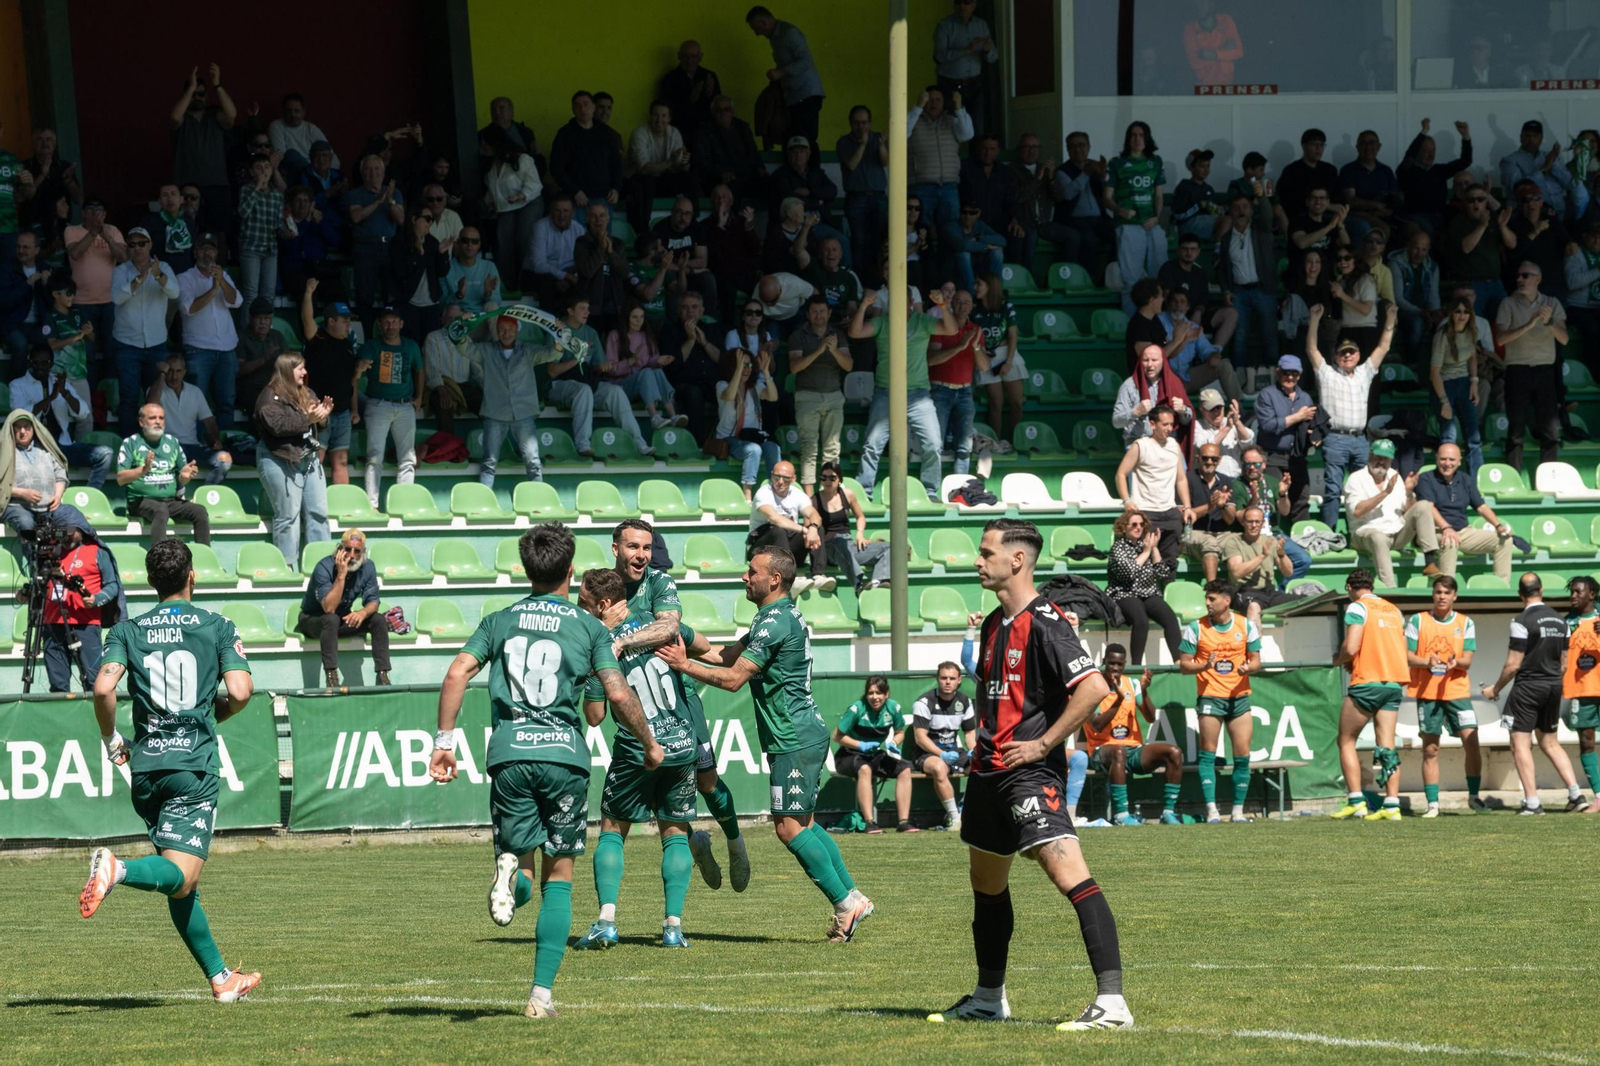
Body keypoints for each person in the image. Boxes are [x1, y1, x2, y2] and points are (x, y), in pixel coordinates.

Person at [429, 524, 658, 1019]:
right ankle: (540, 997)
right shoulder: (589, 627)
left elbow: (456, 673)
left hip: (508, 755)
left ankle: (509, 871)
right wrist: (649, 742)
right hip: (563, 758)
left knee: (521, 858)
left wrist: (443, 744)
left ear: (526, 569)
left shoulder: (499, 620)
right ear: (570, 571)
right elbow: (617, 694)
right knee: (561, 877)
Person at [923, 519, 1126, 1029]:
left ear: (1017, 560)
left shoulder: (1047, 620)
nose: (977, 560)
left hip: (1029, 775)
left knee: (1067, 873)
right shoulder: (994, 624)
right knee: (985, 885)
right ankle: (989, 998)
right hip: (988, 774)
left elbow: (1094, 686)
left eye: (986, 552)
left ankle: (1114, 1004)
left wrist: (1041, 744)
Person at [657, 544, 873, 942]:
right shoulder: (774, 617)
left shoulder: (773, 621)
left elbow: (734, 677)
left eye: (751, 571)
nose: (745, 576)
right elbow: (726, 654)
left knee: (788, 828)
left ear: (774, 578)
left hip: (793, 735)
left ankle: (846, 903)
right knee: (804, 822)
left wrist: (683, 664)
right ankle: (852, 897)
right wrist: (681, 637)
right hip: (797, 732)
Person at [80, 538, 257, 1002]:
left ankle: (222, 980)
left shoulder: (127, 630)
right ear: (191, 575)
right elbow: (239, 691)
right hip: (191, 766)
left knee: (180, 884)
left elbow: (103, 691)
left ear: (150, 582)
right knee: (182, 875)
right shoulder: (217, 625)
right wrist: (207, 716)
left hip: (145, 769)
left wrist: (111, 739)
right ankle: (115, 870)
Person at [608, 519, 749, 891]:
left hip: (680, 703)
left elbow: (673, 629)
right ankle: (696, 842)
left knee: (706, 781)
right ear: (616, 549)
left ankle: (736, 843)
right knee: (661, 792)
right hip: (635, 708)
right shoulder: (602, 589)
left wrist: (621, 642)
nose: (641, 557)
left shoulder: (659, 583)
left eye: (647, 550)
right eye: (633, 548)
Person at [571, 568, 703, 950]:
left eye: (584, 603)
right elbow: (702, 642)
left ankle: (606, 922)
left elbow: (595, 716)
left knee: (613, 830)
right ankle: (673, 928)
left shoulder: (601, 642)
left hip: (638, 750)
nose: (581, 609)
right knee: (675, 834)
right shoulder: (660, 625)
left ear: (604, 604)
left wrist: (592, 675)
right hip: (681, 743)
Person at [1480, 574, 1588, 815]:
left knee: (1519, 743)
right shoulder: (1561, 622)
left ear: (1520, 594)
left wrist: (1495, 689)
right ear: (1541, 589)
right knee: (1550, 741)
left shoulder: (1521, 620)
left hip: (1528, 686)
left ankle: (1532, 803)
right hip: (1553, 686)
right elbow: (1564, 664)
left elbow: (1513, 664)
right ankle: (1576, 795)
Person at [850, 287, 955, 498]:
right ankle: (865, 490)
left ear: (909, 302)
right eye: (894, 300)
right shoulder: (883, 321)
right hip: (886, 392)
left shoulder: (922, 320)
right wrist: (863, 306)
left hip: (919, 395)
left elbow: (951, 330)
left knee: (934, 443)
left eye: (902, 300)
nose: (898, 304)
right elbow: (855, 332)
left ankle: (930, 490)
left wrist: (942, 306)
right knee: (872, 444)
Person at [1178, 580, 1263, 823]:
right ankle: (1212, 811)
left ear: (1227, 600)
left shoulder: (1245, 625)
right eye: (1207, 598)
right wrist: (1204, 665)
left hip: (1239, 698)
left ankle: (1238, 812)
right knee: (1208, 754)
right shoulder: (1196, 628)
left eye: (1212, 599)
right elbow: (1183, 665)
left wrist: (1249, 668)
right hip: (1210, 697)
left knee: (1243, 754)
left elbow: (1257, 660)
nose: (1207, 603)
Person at [1305, 303, 1396, 527]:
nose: (1347, 356)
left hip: (1360, 440)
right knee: (1333, 490)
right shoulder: (1326, 374)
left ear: (1358, 356)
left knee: (1364, 488)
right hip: (1334, 438)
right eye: (1342, 353)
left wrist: (1390, 319)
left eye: (1351, 352)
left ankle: (1363, 531)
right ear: (1335, 357)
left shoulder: (1365, 373)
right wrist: (1315, 320)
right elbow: (1311, 350)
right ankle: (1330, 534)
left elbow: (1383, 347)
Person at [1330, 569, 1408, 821]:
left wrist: (1338, 659)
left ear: (1349, 586)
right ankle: (1392, 805)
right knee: (1387, 745)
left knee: (1346, 740)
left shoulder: (1357, 608)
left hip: (1367, 682)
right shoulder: (1394, 610)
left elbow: (1351, 647)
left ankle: (1356, 801)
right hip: (1394, 683)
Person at [1404, 575, 1483, 818]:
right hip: (1427, 693)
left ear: (1454, 596)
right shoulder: (1418, 620)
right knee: (1431, 749)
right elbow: (1406, 655)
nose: (1442, 596)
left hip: (1457, 691)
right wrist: (1426, 662)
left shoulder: (1465, 622)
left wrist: (1454, 662)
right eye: (1438, 592)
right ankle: (1433, 805)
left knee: (1471, 741)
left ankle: (1474, 797)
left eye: (1447, 593)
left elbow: (1467, 661)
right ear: (1433, 594)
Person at [460, 311, 565, 488]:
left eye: (510, 329)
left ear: (517, 331)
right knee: (489, 463)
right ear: (496, 330)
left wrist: (559, 334)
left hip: (523, 413)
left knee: (533, 462)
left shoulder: (527, 350)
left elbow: (553, 354)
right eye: (502, 329)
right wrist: (462, 326)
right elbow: (463, 348)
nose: (506, 333)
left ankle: (538, 499)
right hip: (495, 413)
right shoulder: (486, 349)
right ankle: (485, 502)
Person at [1083, 648, 1182, 826]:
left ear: (1124, 665)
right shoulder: (1093, 687)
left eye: (1119, 664)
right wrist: (1119, 701)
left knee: (1173, 752)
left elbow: (1150, 717)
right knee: (1119, 751)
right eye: (1111, 663)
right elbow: (1096, 726)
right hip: (1101, 751)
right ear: (1104, 662)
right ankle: (1121, 815)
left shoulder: (1132, 684)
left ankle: (1168, 813)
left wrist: (1143, 691)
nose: (1115, 667)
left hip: (1132, 749)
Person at [548, 295, 651, 459]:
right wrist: (578, 358)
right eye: (582, 308)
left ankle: (639, 442)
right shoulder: (557, 330)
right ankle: (583, 444)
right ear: (570, 310)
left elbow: (597, 367)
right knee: (584, 390)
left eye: (588, 309)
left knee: (615, 391)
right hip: (559, 385)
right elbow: (552, 371)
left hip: (587, 381)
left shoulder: (590, 332)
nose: (587, 312)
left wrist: (603, 367)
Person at [254, 351, 331, 565]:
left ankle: (323, 565)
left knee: (319, 514)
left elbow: (319, 424)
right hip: (278, 460)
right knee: (288, 516)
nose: (305, 372)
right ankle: (287, 567)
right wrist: (308, 419)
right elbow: (278, 427)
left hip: (309, 459)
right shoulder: (268, 397)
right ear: (288, 369)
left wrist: (322, 418)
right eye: (301, 368)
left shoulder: (306, 392)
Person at [296, 529, 389, 688]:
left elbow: (373, 601)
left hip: (339, 619)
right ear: (340, 549)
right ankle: (332, 677)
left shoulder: (368, 567)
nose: (351, 555)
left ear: (363, 553)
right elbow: (329, 608)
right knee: (331, 619)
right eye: (347, 549)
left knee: (378, 619)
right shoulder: (324, 567)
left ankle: (383, 676)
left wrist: (362, 612)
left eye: (357, 551)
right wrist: (341, 575)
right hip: (312, 620)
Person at [1497, 262, 1567, 472]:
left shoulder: (1552, 303)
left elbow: (1563, 339)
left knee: (1551, 432)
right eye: (1518, 276)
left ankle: (1549, 478)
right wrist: (1528, 324)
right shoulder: (1508, 303)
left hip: (1545, 371)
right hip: (1517, 370)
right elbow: (1500, 339)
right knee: (1516, 431)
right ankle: (1514, 479)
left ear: (1538, 279)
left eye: (1525, 275)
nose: (1520, 279)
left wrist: (1549, 323)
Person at [110, 228, 180, 435]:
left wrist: (158, 275)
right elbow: (116, 297)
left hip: (156, 343)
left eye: (142, 243)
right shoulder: (121, 270)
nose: (137, 248)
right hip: (126, 344)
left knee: (155, 399)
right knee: (129, 399)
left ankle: (153, 447)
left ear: (150, 245)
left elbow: (175, 292)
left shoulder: (164, 267)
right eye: (132, 244)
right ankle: (128, 448)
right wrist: (140, 279)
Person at [1342, 438, 1439, 587]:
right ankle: (1390, 590)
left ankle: (1430, 562)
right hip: (1365, 533)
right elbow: (1357, 511)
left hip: (1395, 532)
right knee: (1378, 537)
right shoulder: (1356, 478)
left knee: (1423, 506)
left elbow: (1407, 508)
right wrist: (1385, 492)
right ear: (1369, 455)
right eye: (1378, 457)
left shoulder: (1395, 476)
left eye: (1385, 458)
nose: (1381, 461)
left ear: (1391, 459)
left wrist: (1408, 492)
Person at [1415, 441, 1513, 583]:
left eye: (1452, 459)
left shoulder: (1466, 479)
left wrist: (1498, 525)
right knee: (1449, 541)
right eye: (1443, 459)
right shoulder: (1426, 478)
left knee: (1504, 540)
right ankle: (1446, 588)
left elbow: (1481, 507)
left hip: (1464, 532)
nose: (1447, 463)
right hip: (1434, 531)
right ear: (1436, 459)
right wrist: (1446, 528)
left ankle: (1502, 586)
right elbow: (1429, 507)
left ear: (1459, 461)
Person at [832, 676, 918, 834]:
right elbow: (836, 736)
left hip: (874, 755)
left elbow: (900, 732)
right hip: (848, 755)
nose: (874, 697)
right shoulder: (857, 709)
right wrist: (860, 745)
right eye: (870, 693)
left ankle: (903, 823)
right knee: (865, 769)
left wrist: (893, 742)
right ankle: (869, 823)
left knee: (905, 769)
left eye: (879, 693)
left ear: (886, 694)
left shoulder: (894, 708)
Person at [358, 305, 423, 508]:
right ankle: (372, 506)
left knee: (407, 458)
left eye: (394, 321)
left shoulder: (411, 346)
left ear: (401, 324)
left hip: (405, 407)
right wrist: (360, 366)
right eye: (386, 321)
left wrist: (419, 397)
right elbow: (358, 370)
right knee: (375, 457)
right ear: (380, 324)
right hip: (378, 405)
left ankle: (403, 505)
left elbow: (420, 370)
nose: (390, 325)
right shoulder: (371, 346)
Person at [176, 232, 241, 430]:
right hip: (199, 349)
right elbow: (188, 309)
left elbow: (236, 301)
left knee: (226, 403)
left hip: (227, 348)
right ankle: (199, 448)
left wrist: (221, 282)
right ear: (195, 252)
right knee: (198, 403)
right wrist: (213, 289)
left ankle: (225, 446)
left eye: (211, 249)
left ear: (216, 253)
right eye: (203, 249)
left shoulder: (224, 275)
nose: (207, 254)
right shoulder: (184, 278)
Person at [117, 404, 209, 546]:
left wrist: (184, 477)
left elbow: (181, 477)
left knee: (200, 511)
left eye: (161, 418)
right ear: (141, 422)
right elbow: (121, 479)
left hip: (170, 500)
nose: (158, 422)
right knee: (160, 510)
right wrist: (143, 470)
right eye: (153, 418)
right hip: (140, 501)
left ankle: (205, 558)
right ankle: (159, 561)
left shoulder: (172, 442)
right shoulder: (130, 443)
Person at [1114, 403, 1194, 562]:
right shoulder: (1140, 446)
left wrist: (1187, 507)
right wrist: (1127, 501)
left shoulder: (1174, 445)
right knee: (1144, 560)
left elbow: (1181, 478)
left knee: (1170, 561)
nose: (1169, 428)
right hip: (1146, 511)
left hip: (1170, 512)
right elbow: (1120, 474)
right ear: (1152, 424)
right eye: (1165, 424)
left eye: (1171, 424)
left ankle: (1168, 587)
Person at [298, 281, 359, 486]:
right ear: (331, 321)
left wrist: (354, 409)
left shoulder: (348, 345)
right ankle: (310, 506)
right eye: (344, 320)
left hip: (342, 413)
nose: (348, 325)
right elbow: (307, 318)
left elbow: (352, 380)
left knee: (341, 462)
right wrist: (308, 293)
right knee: (315, 460)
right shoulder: (317, 339)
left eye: (349, 320)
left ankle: (342, 508)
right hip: (319, 413)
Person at [1103, 122, 1166, 316]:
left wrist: (1157, 217)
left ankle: (1159, 324)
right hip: (1129, 225)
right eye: (1133, 135)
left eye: (1141, 135)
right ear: (1128, 139)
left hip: (1151, 224)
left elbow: (1158, 195)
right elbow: (1106, 198)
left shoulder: (1155, 161)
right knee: (1131, 281)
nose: (1137, 139)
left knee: (1160, 279)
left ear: (1147, 139)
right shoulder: (1116, 163)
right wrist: (1120, 210)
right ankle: (1132, 325)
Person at [788, 294, 849, 492]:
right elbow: (795, 367)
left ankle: (829, 493)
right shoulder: (798, 335)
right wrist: (819, 350)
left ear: (829, 313)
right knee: (809, 447)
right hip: (807, 396)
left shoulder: (837, 335)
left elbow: (848, 365)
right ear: (808, 314)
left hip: (833, 395)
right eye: (814, 311)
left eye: (822, 311)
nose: (819, 315)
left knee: (832, 448)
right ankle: (809, 497)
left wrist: (834, 350)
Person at [1105, 509, 1179, 666]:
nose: (1138, 528)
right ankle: (1136, 665)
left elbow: (1162, 572)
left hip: (1148, 592)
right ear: (1124, 527)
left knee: (1170, 618)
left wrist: (1155, 548)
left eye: (1141, 524)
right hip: (1124, 593)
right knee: (1141, 620)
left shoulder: (1145, 545)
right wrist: (1147, 551)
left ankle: (1179, 662)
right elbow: (1128, 573)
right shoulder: (1118, 548)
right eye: (1134, 524)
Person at [908, 661, 976, 831]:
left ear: (959, 680)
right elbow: (920, 738)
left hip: (953, 750)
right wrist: (942, 754)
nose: (948, 682)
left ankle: (968, 811)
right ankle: (955, 819)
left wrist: (974, 750)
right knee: (939, 767)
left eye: (952, 678)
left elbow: (969, 734)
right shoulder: (924, 702)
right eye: (943, 678)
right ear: (937, 679)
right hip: (926, 754)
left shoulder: (965, 702)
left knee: (981, 766)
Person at [1216, 190, 1280, 369]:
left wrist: (1262, 197)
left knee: (1269, 336)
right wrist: (1226, 290)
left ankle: (1275, 378)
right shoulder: (1227, 239)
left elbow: (1268, 214)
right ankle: (1238, 378)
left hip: (1263, 290)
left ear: (1251, 210)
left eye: (1245, 207)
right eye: (1236, 208)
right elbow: (1222, 268)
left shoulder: (1262, 230)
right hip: (1239, 293)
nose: (1241, 211)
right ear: (1231, 212)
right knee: (1239, 337)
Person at [928, 288, 988, 475]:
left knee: (964, 446)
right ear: (951, 304)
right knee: (935, 444)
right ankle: (931, 490)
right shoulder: (940, 326)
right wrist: (960, 346)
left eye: (967, 302)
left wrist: (976, 347)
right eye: (959, 302)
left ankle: (960, 486)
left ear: (972, 307)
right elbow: (931, 359)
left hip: (965, 391)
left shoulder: (976, 331)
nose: (963, 306)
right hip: (940, 389)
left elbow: (985, 367)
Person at [748, 459, 830, 596]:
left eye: (785, 478)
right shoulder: (763, 493)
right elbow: (776, 519)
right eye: (776, 477)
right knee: (778, 530)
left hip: (786, 549)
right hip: (761, 548)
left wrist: (813, 529)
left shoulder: (797, 494)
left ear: (793, 478)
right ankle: (790, 579)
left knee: (818, 528)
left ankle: (818, 575)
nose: (780, 481)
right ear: (771, 475)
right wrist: (805, 530)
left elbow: (815, 514)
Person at [746, 6, 825, 148]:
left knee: (804, 142)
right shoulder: (777, 37)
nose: (756, 33)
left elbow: (806, 61)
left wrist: (780, 73)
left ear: (763, 23)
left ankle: (811, 169)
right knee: (797, 141)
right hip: (798, 96)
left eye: (755, 28)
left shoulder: (789, 33)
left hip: (806, 95)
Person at [906, 87, 972, 255]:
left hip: (949, 186)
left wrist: (959, 107)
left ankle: (947, 275)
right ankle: (926, 269)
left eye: (938, 100)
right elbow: (901, 131)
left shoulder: (952, 120)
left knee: (950, 233)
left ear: (944, 103)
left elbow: (967, 135)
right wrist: (918, 107)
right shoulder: (914, 120)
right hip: (922, 186)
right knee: (922, 232)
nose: (934, 103)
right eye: (930, 100)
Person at [146, 354, 231, 485]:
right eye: (170, 371)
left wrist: (215, 441)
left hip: (192, 446)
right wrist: (162, 374)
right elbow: (151, 405)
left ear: (184, 372)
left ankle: (205, 496)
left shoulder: (195, 392)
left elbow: (209, 421)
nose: (174, 376)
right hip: (166, 447)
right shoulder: (156, 390)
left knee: (225, 459)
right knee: (176, 463)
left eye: (178, 371)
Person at [603, 303, 689, 431]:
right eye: (634, 317)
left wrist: (659, 361)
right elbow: (610, 369)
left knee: (657, 371)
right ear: (626, 318)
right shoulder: (615, 336)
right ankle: (654, 417)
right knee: (647, 372)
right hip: (620, 386)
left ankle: (673, 415)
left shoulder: (646, 336)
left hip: (643, 386)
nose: (639, 321)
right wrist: (630, 361)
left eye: (642, 317)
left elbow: (651, 361)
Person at [1, 412, 90, 536]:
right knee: (26, 524)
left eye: (27, 426)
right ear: (11, 428)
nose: (22, 431)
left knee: (73, 520)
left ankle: (94, 553)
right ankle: (34, 556)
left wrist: (57, 496)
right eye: (18, 427)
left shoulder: (46, 448)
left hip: (49, 506)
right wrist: (21, 493)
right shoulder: (2, 450)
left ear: (33, 428)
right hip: (17, 506)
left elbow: (60, 474)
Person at [1253, 355, 1317, 522]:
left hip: (1297, 456)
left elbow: (1309, 426)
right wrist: (1298, 416)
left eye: (1294, 374)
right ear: (1278, 372)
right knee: (1272, 497)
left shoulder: (1305, 398)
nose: (1289, 377)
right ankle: (1272, 538)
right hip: (1272, 455)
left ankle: (1301, 540)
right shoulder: (1267, 395)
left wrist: (1314, 436)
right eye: (1285, 373)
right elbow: (1268, 425)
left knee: (1301, 499)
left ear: (1300, 374)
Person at [344, 156, 405, 325]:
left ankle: (391, 336)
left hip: (390, 247)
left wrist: (390, 200)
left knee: (392, 295)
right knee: (365, 297)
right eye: (368, 169)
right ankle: (368, 339)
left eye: (377, 168)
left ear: (384, 172)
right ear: (362, 172)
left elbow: (401, 220)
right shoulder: (354, 194)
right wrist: (379, 201)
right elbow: (356, 217)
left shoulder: (395, 193)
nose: (373, 173)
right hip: (365, 248)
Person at [812, 461, 890, 592]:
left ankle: (879, 581)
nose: (827, 481)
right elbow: (812, 528)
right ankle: (858, 584)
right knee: (839, 543)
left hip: (849, 544)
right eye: (823, 478)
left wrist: (859, 534)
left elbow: (860, 517)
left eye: (832, 478)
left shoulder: (847, 495)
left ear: (839, 480)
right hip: (830, 548)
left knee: (888, 547)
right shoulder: (815, 500)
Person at [717, 347, 782, 500]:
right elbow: (730, 396)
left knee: (773, 448)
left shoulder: (755, 387)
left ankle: (777, 492)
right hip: (729, 439)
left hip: (752, 437)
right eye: (742, 365)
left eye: (749, 365)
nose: (746, 369)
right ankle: (748, 496)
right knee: (753, 450)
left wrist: (765, 372)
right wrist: (738, 371)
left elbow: (773, 397)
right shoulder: (722, 385)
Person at [659, 291, 723, 444]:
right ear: (678, 310)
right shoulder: (668, 330)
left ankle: (726, 441)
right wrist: (690, 339)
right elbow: (672, 365)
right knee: (694, 394)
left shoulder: (711, 329)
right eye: (685, 307)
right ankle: (697, 444)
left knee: (728, 390)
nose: (690, 311)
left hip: (710, 382)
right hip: (682, 384)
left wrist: (705, 343)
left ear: (702, 310)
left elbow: (722, 360)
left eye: (694, 307)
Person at [1439, 186, 1513, 316]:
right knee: (1474, 325)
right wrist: (1482, 225)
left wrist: (1502, 226)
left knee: (1503, 322)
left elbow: (1512, 244)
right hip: (1471, 284)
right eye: (1471, 200)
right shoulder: (1458, 221)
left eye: (1480, 199)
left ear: (1487, 202)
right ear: (1465, 203)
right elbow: (1466, 247)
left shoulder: (1494, 219)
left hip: (1495, 281)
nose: (1476, 203)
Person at [484, 128, 543, 283]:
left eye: (485, 145)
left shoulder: (522, 159)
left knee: (523, 241)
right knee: (504, 245)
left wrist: (521, 195)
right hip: (505, 207)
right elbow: (492, 188)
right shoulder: (489, 165)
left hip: (528, 203)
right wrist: (489, 201)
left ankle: (526, 282)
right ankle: (508, 283)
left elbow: (535, 184)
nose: (483, 148)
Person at [1161, 290, 1240, 406]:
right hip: (1164, 379)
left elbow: (1208, 351)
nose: (1178, 304)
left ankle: (1239, 411)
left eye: (1182, 302)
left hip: (1186, 377)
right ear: (1168, 305)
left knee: (1224, 366)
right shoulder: (1159, 321)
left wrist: (1214, 356)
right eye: (1174, 301)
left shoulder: (1193, 327)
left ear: (1187, 307)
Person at [549, 91, 623, 212]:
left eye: (586, 104)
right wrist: (574, 191)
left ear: (593, 107)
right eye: (578, 105)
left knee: (602, 231)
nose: (582, 109)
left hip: (604, 197)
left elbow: (616, 164)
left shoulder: (606, 133)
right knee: (578, 231)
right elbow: (556, 168)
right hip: (577, 198)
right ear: (573, 109)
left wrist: (616, 188)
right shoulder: (565, 134)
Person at [1398, 119, 1473, 238]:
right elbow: (1409, 155)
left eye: (1433, 151)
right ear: (1417, 152)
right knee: (1428, 229)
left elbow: (1465, 161)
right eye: (1426, 151)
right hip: (1416, 217)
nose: (1431, 155)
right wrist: (1424, 131)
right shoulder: (1407, 171)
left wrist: (1465, 136)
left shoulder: (1438, 170)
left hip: (1440, 215)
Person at [1562, 576, 1600, 809]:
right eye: (1571, 592)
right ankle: (1599, 796)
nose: (1573, 596)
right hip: (1581, 690)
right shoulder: (1567, 623)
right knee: (1586, 742)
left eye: (1578, 591)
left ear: (1592, 594)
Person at [837, 107, 889, 278]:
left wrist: (881, 145)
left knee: (880, 240)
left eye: (865, 122)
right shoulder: (844, 142)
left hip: (879, 196)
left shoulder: (878, 138)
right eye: (857, 123)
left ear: (870, 123)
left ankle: (878, 280)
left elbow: (885, 162)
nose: (861, 127)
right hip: (856, 198)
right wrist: (863, 144)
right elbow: (851, 165)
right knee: (859, 241)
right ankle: (860, 281)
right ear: (850, 124)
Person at [692, 96, 766, 203]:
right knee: (731, 189)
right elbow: (701, 161)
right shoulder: (703, 132)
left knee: (771, 183)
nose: (723, 113)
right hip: (719, 179)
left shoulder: (743, 128)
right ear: (712, 113)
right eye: (718, 110)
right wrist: (721, 173)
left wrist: (760, 167)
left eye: (726, 109)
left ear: (732, 111)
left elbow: (753, 151)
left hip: (746, 175)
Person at [235, 155, 283, 317]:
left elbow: (279, 224)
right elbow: (243, 212)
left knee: (269, 295)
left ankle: (266, 334)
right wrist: (257, 188)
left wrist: (288, 231)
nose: (263, 171)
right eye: (259, 167)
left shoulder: (277, 195)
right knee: (250, 294)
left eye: (267, 167)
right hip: (251, 248)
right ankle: (246, 335)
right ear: (251, 172)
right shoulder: (247, 190)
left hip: (270, 249)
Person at [1500, 120, 1574, 222]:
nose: (1531, 139)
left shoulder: (1549, 156)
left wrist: (1554, 163)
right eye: (1527, 135)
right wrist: (1543, 169)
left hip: (1561, 211)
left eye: (1535, 136)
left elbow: (1569, 183)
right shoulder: (1509, 161)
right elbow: (1517, 187)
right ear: (1520, 137)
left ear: (1541, 138)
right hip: (1530, 215)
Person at [1389, 229, 1444, 361]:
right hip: (1402, 311)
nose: (1420, 253)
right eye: (1416, 248)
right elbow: (1398, 299)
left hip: (1424, 311)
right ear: (1409, 245)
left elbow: (1433, 296)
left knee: (1446, 323)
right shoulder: (1396, 263)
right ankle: (1412, 364)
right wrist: (1421, 312)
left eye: (1424, 250)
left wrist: (1435, 313)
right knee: (1417, 323)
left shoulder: (1432, 267)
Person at [574, 202, 629, 330]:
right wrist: (600, 248)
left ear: (608, 219)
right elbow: (587, 272)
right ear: (587, 219)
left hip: (615, 306)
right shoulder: (581, 243)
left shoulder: (617, 243)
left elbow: (624, 272)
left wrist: (610, 252)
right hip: (590, 308)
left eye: (602, 215)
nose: (598, 219)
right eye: (593, 216)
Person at [1184, 442, 1234, 581]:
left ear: (1220, 460)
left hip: (1221, 533)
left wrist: (1223, 506)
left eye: (1214, 459)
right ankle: (1212, 590)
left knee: (1240, 542)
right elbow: (1183, 515)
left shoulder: (1225, 480)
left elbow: (1230, 519)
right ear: (1197, 458)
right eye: (1205, 458)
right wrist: (1209, 507)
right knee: (1210, 542)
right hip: (1192, 533)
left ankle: (1239, 594)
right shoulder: (1187, 479)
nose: (1209, 462)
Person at [658, 40, 721, 145]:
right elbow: (668, 113)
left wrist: (710, 95)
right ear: (679, 56)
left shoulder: (708, 76)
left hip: (707, 133)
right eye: (685, 56)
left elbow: (719, 107)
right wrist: (691, 99)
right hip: (682, 134)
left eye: (694, 56)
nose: (689, 60)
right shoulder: (670, 80)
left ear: (701, 57)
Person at [529, 195, 584, 312]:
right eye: (557, 210)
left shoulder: (579, 229)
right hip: (541, 275)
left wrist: (569, 278)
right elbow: (538, 265)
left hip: (569, 273)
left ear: (572, 213)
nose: (562, 215)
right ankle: (550, 325)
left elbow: (583, 260)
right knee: (547, 282)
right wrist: (564, 276)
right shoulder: (540, 227)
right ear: (551, 211)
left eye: (566, 211)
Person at [1191, 389, 1253, 478]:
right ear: (1202, 410)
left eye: (1219, 408)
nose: (1216, 412)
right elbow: (1205, 448)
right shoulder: (1197, 426)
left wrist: (1237, 421)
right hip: (1212, 479)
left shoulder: (1231, 421)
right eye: (1211, 409)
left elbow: (1248, 444)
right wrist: (1227, 427)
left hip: (1237, 478)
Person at [444, 226, 501, 315]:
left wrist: (488, 293)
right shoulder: (446, 267)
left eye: (474, 241)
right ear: (458, 243)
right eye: (465, 241)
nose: (470, 244)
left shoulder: (489, 266)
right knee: (452, 310)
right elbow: (441, 304)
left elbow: (498, 302)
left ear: (479, 245)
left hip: (481, 317)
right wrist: (458, 295)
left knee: (492, 306)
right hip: (459, 318)